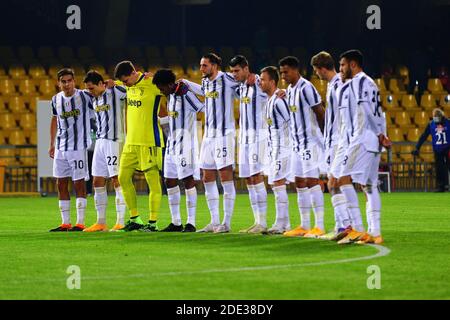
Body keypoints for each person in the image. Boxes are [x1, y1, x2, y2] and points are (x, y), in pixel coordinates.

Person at [182, 53, 240, 233]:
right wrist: (186, 83)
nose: (201, 69)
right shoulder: (206, 82)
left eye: (204, 65)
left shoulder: (228, 79)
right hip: (208, 135)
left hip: (224, 135)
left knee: (225, 176)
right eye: (201, 65)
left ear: (215, 66)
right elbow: (202, 91)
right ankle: (214, 222)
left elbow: (245, 85)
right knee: (207, 177)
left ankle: (226, 223)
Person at [336, 50, 390, 245]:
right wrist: (383, 135)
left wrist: (378, 133)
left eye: (342, 65)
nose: (340, 69)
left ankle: (357, 229)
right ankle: (375, 232)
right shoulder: (371, 82)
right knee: (369, 185)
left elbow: (366, 108)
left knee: (342, 178)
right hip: (373, 139)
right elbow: (380, 111)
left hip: (363, 137)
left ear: (352, 65)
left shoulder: (358, 81)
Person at [113, 61, 165, 232]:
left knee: (153, 183)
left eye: (126, 80)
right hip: (131, 143)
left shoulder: (152, 83)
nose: (125, 84)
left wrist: (157, 74)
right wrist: (112, 83)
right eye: (123, 81)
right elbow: (116, 84)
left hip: (150, 141)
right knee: (122, 177)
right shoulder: (127, 86)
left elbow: (173, 82)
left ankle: (153, 222)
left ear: (134, 72)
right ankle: (135, 218)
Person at [278, 56, 326, 238]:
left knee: (312, 181)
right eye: (281, 72)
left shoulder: (306, 88)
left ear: (295, 70)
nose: (283, 75)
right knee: (299, 182)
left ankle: (319, 226)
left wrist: (325, 138)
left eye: (286, 72)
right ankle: (305, 225)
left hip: (310, 143)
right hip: (297, 144)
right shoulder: (290, 90)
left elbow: (320, 113)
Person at [152, 69, 205, 232]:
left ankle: (191, 222)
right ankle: (176, 222)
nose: (161, 91)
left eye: (162, 88)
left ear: (169, 84)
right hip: (172, 145)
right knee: (169, 181)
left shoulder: (185, 94)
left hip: (186, 145)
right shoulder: (170, 96)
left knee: (188, 180)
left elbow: (202, 108)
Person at [310, 51, 352, 240]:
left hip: (339, 141)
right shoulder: (331, 85)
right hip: (331, 142)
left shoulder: (339, 84)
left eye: (316, 70)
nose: (316, 74)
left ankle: (347, 226)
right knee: (332, 183)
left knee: (336, 182)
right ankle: (340, 226)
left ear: (322, 68)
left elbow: (345, 114)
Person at [48, 68, 94, 232]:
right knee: (61, 183)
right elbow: (55, 120)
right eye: (63, 81)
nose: (66, 84)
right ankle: (65, 223)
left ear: (74, 81)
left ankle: (80, 223)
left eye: (69, 81)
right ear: (58, 83)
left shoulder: (84, 96)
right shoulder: (55, 99)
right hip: (61, 147)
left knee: (79, 183)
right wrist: (52, 143)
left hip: (78, 147)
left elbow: (100, 96)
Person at [82, 70, 127, 232]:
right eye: (88, 89)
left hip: (115, 140)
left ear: (102, 84)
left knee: (116, 179)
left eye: (92, 88)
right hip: (100, 142)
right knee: (97, 181)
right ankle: (101, 222)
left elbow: (131, 88)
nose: (90, 92)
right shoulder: (95, 100)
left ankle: (120, 221)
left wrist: (117, 83)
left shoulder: (114, 92)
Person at [229, 55, 269, 234]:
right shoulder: (242, 88)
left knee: (256, 176)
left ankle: (263, 222)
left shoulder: (258, 82)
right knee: (249, 179)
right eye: (232, 71)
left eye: (237, 71)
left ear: (246, 68)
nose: (234, 74)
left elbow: (273, 89)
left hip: (258, 137)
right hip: (244, 138)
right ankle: (256, 221)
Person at [259, 66, 292, 234]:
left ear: (272, 81)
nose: (260, 82)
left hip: (283, 148)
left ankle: (280, 224)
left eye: (263, 79)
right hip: (274, 149)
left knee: (278, 183)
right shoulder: (269, 100)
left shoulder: (279, 100)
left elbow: (291, 122)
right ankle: (285, 225)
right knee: (275, 184)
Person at [412, 108, 450, 192]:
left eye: (438, 117)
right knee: (439, 168)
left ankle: (445, 185)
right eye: (435, 117)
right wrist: (417, 147)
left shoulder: (448, 122)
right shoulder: (431, 124)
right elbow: (424, 136)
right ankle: (441, 186)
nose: (436, 120)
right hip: (437, 149)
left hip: (448, 148)